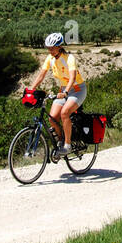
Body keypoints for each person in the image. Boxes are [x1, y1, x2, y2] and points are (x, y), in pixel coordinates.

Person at [26, 32, 87, 160]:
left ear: (59, 46)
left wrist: (66, 92)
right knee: (52, 118)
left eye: (52, 48)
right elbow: (41, 75)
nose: (50, 50)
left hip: (77, 90)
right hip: (63, 90)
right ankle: (60, 142)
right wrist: (31, 89)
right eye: (48, 48)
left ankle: (68, 145)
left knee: (64, 113)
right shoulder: (50, 58)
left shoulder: (69, 58)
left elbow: (72, 77)